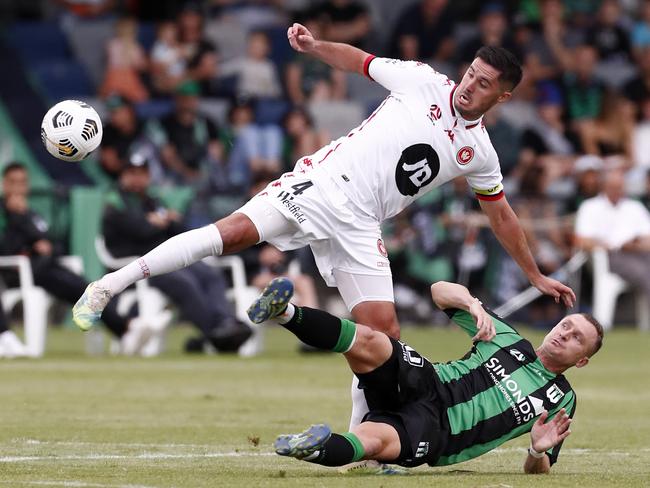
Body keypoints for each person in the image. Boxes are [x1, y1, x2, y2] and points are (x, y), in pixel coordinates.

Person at [74, 22, 574, 428]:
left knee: (384, 335)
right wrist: (315, 48)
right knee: (228, 236)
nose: (469, 85)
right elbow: (358, 61)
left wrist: (534, 275)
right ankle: (107, 285)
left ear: (502, 97)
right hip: (322, 185)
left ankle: (364, 438)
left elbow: (502, 215)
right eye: (470, 73)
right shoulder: (422, 80)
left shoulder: (480, 154)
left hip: (362, 223)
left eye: (484, 83)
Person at [247, 277, 603, 473]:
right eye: (566, 325)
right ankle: (284, 312)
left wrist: (537, 450)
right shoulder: (507, 337)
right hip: (429, 380)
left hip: (440, 431)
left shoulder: (563, 400)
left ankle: (308, 449)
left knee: (372, 442)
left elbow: (537, 471)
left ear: (582, 360)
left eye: (576, 339)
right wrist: (472, 304)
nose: (564, 334)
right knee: (372, 339)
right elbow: (438, 291)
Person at [0, 163, 162, 355]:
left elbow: (54, 244)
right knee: (71, 283)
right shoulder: (7, 213)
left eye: (22, 182)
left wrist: (37, 238)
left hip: (42, 268)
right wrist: (20, 219)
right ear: (4, 184)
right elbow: (7, 247)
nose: (18, 188)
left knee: (83, 285)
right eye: (13, 182)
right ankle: (125, 328)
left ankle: (125, 328)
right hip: (14, 273)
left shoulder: (31, 212)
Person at [102, 154, 252, 353]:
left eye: (142, 174)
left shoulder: (152, 200)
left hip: (162, 260)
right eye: (132, 174)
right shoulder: (115, 200)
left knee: (210, 275)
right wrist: (155, 222)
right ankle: (215, 334)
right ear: (123, 176)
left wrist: (161, 220)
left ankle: (225, 324)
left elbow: (178, 228)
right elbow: (138, 230)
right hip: (135, 265)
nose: (138, 179)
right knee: (185, 283)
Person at [574, 169, 650, 305]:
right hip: (610, 257)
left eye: (620, 187)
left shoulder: (635, 206)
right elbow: (581, 241)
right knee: (645, 272)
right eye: (613, 187)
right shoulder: (590, 207)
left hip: (639, 253)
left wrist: (635, 245)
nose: (617, 191)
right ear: (604, 186)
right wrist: (615, 246)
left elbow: (647, 237)